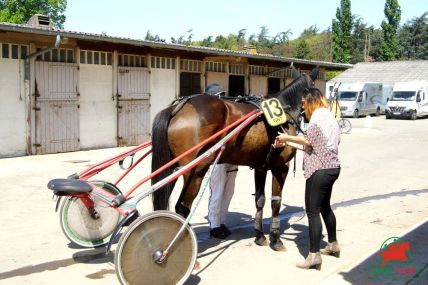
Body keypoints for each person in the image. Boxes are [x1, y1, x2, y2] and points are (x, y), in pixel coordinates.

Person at [273, 88, 341, 270]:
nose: (302, 107)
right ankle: (333, 244)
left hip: (319, 170)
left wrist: (287, 136)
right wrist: (288, 142)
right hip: (333, 167)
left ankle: (313, 256)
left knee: (312, 212)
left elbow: (308, 141)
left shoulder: (318, 118)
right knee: (325, 207)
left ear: (311, 101)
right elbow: (313, 146)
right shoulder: (330, 117)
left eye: (303, 103)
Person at [204, 83, 238, 239]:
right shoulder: (209, 117)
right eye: (219, 95)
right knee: (217, 193)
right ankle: (214, 224)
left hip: (232, 158)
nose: (222, 98)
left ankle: (222, 221)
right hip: (217, 159)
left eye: (223, 94)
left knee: (229, 192)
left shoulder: (229, 114)